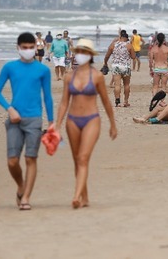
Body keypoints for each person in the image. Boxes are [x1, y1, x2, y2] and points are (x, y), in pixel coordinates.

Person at [0, 32, 54, 211]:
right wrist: (9, 109)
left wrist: (51, 122)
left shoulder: (43, 70)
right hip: (14, 118)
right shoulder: (10, 67)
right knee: (12, 161)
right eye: (24, 48)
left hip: (34, 119)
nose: (28, 51)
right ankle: (21, 185)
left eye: (31, 47)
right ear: (18, 48)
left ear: (36, 47)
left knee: (30, 158)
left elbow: (48, 97)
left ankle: (26, 197)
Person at [55, 38, 117, 209]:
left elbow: (105, 101)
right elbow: (63, 103)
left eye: (84, 52)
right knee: (77, 160)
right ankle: (85, 197)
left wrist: (113, 124)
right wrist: (57, 125)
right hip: (72, 120)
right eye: (79, 52)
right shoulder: (69, 77)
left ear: (90, 55)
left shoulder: (96, 76)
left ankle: (76, 197)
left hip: (91, 119)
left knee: (83, 158)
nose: (81, 55)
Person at [103, 31, 135, 107]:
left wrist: (105, 63)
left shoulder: (113, 45)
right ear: (126, 38)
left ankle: (117, 102)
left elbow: (107, 56)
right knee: (126, 85)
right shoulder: (129, 45)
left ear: (120, 37)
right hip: (126, 66)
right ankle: (126, 102)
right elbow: (133, 57)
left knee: (117, 85)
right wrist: (128, 55)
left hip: (116, 66)